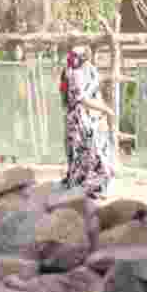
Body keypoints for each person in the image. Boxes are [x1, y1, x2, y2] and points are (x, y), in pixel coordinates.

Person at [62, 46, 115, 200]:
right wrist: (105, 109)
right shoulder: (77, 74)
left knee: (79, 155)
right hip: (80, 120)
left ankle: (82, 190)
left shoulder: (69, 72)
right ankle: (91, 190)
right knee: (90, 154)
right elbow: (83, 99)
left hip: (75, 119)